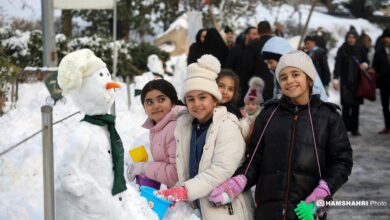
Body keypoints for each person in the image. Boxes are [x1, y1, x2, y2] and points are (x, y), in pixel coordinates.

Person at [209, 51, 353, 219]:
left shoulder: (328, 117)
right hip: (268, 212)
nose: (289, 81)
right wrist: (238, 182)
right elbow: (254, 158)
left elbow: (342, 161)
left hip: (306, 211)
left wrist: (324, 191)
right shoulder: (268, 114)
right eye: (283, 77)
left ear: (309, 79)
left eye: (295, 74)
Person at [156, 54, 254, 219]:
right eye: (190, 99)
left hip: (228, 210)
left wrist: (183, 191)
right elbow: (189, 168)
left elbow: (221, 170)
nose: (196, 104)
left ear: (215, 100)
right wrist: (178, 188)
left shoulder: (228, 126)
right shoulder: (186, 126)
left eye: (203, 97)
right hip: (199, 207)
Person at [126, 79, 185, 188]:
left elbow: (175, 174)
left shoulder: (175, 128)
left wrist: (144, 168)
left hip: (188, 197)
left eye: (161, 99)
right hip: (177, 194)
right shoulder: (157, 127)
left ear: (172, 102)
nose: (155, 106)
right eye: (149, 102)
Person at [262, 36, 328, 101]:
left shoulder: (303, 69)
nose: (268, 67)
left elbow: (318, 98)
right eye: (284, 78)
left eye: (270, 62)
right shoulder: (277, 74)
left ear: (280, 59)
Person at [333, 29, 368, 136]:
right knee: (346, 106)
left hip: (357, 82)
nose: (351, 39)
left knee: (356, 107)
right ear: (346, 38)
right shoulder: (342, 49)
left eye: (353, 37)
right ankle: (345, 129)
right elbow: (338, 64)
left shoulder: (360, 48)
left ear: (356, 38)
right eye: (349, 37)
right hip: (345, 82)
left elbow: (366, 60)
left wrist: (365, 64)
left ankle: (354, 129)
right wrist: (335, 78)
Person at [241, 21, 274, 104]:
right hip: (274, 84)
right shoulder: (276, 44)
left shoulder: (252, 45)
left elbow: (246, 67)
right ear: (270, 31)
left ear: (258, 32)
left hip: (256, 85)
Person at [372, 28, 390, 134]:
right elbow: (375, 66)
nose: (386, 39)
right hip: (384, 83)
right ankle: (388, 126)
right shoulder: (379, 53)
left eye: (388, 37)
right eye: (385, 37)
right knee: (385, 106)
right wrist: (372, 70)